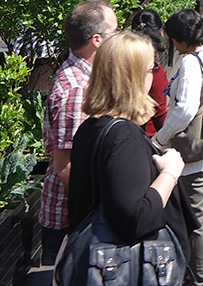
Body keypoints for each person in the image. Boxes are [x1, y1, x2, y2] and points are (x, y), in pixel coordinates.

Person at [66, 31, 193, 276]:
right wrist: (170, 172)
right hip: (123, 271)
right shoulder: (123, 136)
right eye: (151, 68)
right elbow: (135, 219)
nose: (154, 74)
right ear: (134, 76)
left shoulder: (90, 128)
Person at [154, 9, 203, 286]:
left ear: (182, 39)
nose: (172, 44)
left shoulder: (189, 62)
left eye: (173, 39)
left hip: (194, 151)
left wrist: (161, 138)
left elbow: (185, 109)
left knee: (197, 218)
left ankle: (200, 277)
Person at [41, 0, 119, 266]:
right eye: (115, 32)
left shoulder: (86, 78)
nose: (118, 38)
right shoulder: (77, 90)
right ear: (97, 40)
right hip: (72, 219)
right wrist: (96, 209)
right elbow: (65, 165)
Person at [131, 8, 171, 138]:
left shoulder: (124, 61)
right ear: (160, 32)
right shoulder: (154, 70)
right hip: (146, 135)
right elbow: (159, 112)